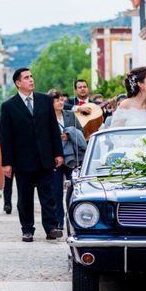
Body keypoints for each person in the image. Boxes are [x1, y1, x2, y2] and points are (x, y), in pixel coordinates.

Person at [0, 67, 64, 242]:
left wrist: (58, 153)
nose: (31, 80)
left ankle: (51, 228)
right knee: (25, 198)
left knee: (48, 196)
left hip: (45, 158)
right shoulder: (9, 106)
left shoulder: (45, 101)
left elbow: (53, 129)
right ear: (18, 83)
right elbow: (6, 137)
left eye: (31, 76)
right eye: (26, 78)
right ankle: (27, 229)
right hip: (23, 161)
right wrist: (7, 163)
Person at [50, 90, 85, 230]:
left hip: (71, 157)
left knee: (73, 189)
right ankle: (59, 220)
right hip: (54, 157)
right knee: (56, 191)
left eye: (62, 99)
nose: (61, 102)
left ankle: (72, 218)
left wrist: (69, 135)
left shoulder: (70, 114)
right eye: (57, 100)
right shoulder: (47, 117)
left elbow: (80, 131)